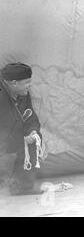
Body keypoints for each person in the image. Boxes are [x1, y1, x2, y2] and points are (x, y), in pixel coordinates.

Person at [0, 63, 44, 195]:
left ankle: (21, 186)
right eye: (27, 82)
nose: (29, 85)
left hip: (11, 137)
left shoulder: (22, 93)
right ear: (13, 83)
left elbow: (30, 117)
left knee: (35, 139)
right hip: (3, 138)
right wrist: (22, 138)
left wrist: (32, 131)